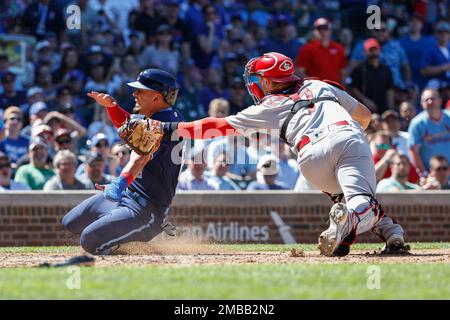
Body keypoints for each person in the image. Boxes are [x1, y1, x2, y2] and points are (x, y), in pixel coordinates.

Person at [140, 52, 407, 256]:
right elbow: (366, 116)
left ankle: (392, 233)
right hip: (346, 137)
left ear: (268, 80)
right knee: (361, 200)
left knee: (346, 196)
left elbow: (215, 126)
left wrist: (166, 127)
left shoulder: (267, 106)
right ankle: (353, 218)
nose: (256, 84)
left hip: (310, 159)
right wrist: (352, 142)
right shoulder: (320, 86)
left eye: (259, 79)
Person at [62, 68, 184, 255]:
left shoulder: (164, 122)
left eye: (141, 90)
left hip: (145, 211)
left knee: (89, 241)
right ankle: (117, 231)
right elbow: (128, 124)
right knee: (70, 222)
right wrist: (112, 107)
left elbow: (140, 158)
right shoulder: (154, 116)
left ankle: (124, 247)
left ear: (156, 97)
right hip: (127, 196)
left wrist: (119, 183)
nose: (134, 93)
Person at [408, 88, 450, 175]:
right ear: (422, 104)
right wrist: (424, 174)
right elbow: (413, 151)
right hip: (431, 176)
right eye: (426, 100)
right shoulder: (417, 124)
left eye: (432, 98)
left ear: (440, 100)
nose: (430, 102)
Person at [347, 38, 395, 113]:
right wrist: (364, 100)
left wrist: (391, 108)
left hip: (383, 109)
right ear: (365, 52)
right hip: (364, 110)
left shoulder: (386, 70)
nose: (373, 53)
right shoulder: (359, 69)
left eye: (375, 50)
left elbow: (390, 89)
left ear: (380, 50)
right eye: (370, 50)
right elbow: (353, 88)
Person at [295, 18, 347, 84]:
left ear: (330, 30)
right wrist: (313, 85)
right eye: (319, 29)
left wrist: (343, 89)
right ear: (314, 31)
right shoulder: (307, 48)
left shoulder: (339, 48)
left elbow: (343, 71)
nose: (322, 31)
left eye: (325, 28)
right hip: (316, 90)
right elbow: (299, 71)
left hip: (335, 89)